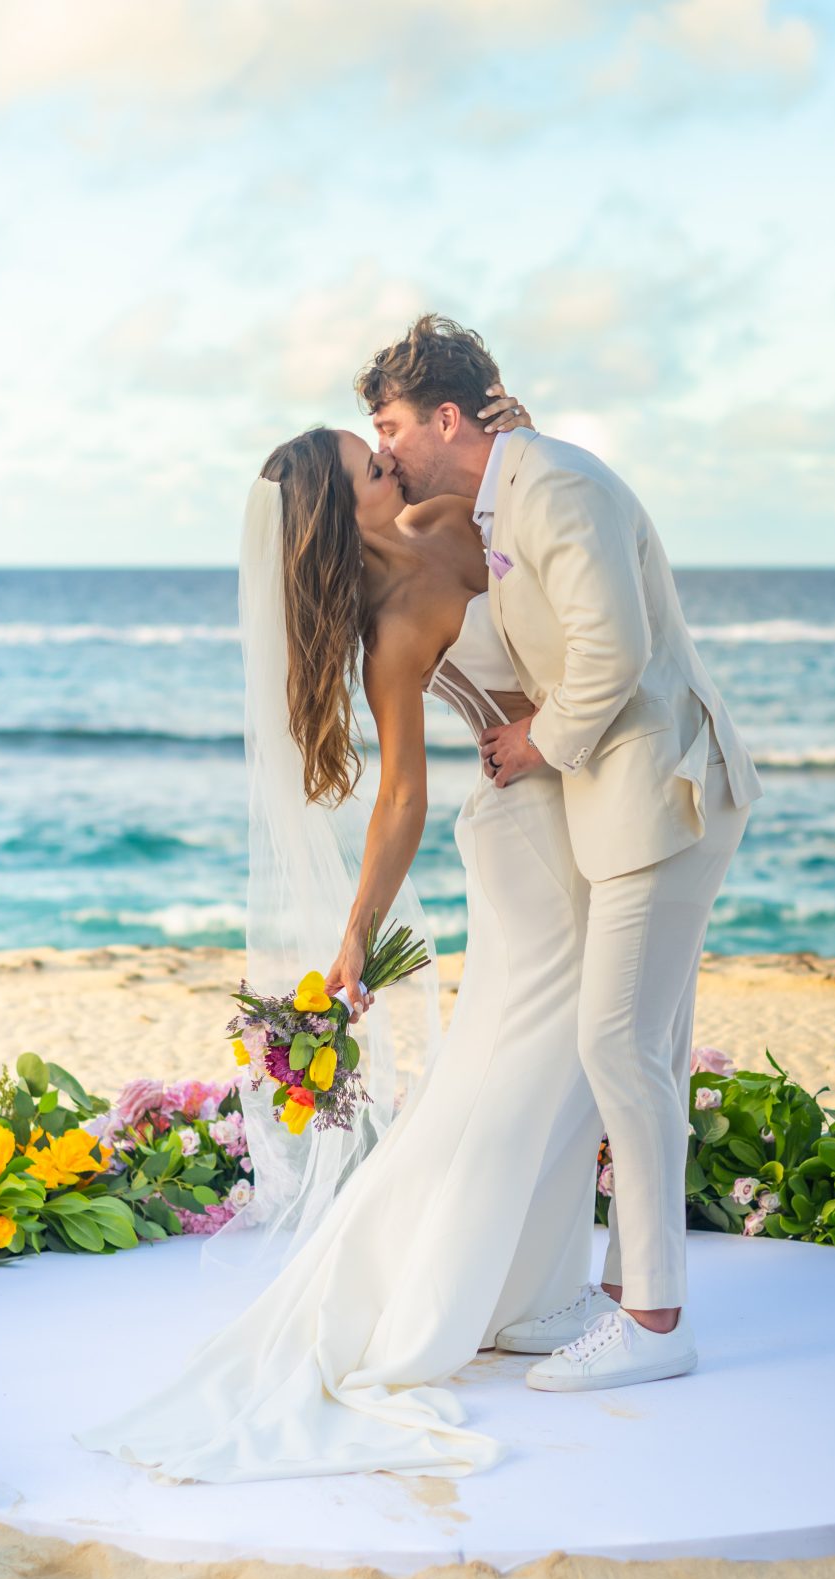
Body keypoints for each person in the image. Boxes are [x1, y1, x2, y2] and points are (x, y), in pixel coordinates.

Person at [74, 385, 612, 1480]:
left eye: (385, 448)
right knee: (522, 1071)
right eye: (371, 466)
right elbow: (402, 795)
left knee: (562, 1062)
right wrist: (356, 933)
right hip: (526, 835)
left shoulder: (451, 512)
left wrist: (514, 436)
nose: (390, 464)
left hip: (580, 795)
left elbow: (533, 522)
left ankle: (534, 1288)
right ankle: (440, 1298)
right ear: (341, 510)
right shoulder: (393, 629)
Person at [359, 315, 760, 1394]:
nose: (386, 448)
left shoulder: (557, 486)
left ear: (447, 417)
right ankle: (631, 1297)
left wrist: (537, 740)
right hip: (620, 801)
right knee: (646, 1047)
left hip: (660, 791)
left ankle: (656, 1323)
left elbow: (612, 650)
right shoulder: (509, 494)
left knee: (617, 1045)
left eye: (391, 426)